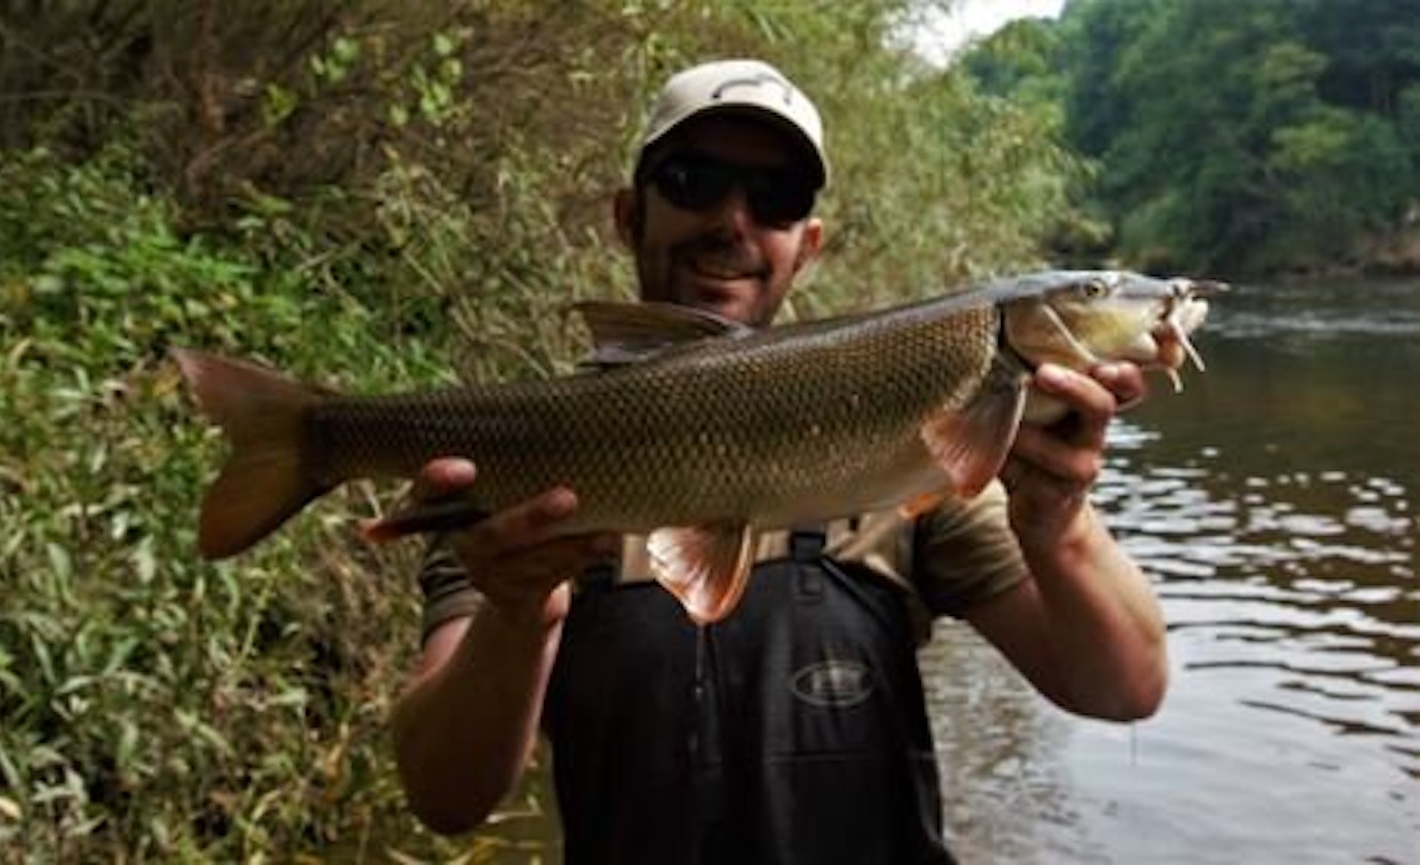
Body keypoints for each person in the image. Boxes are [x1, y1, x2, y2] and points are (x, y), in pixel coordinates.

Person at [387, 58, 1172, 864]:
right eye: (694, 180)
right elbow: (445, 796)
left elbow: (1125, 688)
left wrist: (1059, 524)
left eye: (776, 197)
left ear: (809, 244)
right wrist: (517, 616)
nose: (733, 221)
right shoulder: (527, 478)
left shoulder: (923, 447)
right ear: (629, 215)